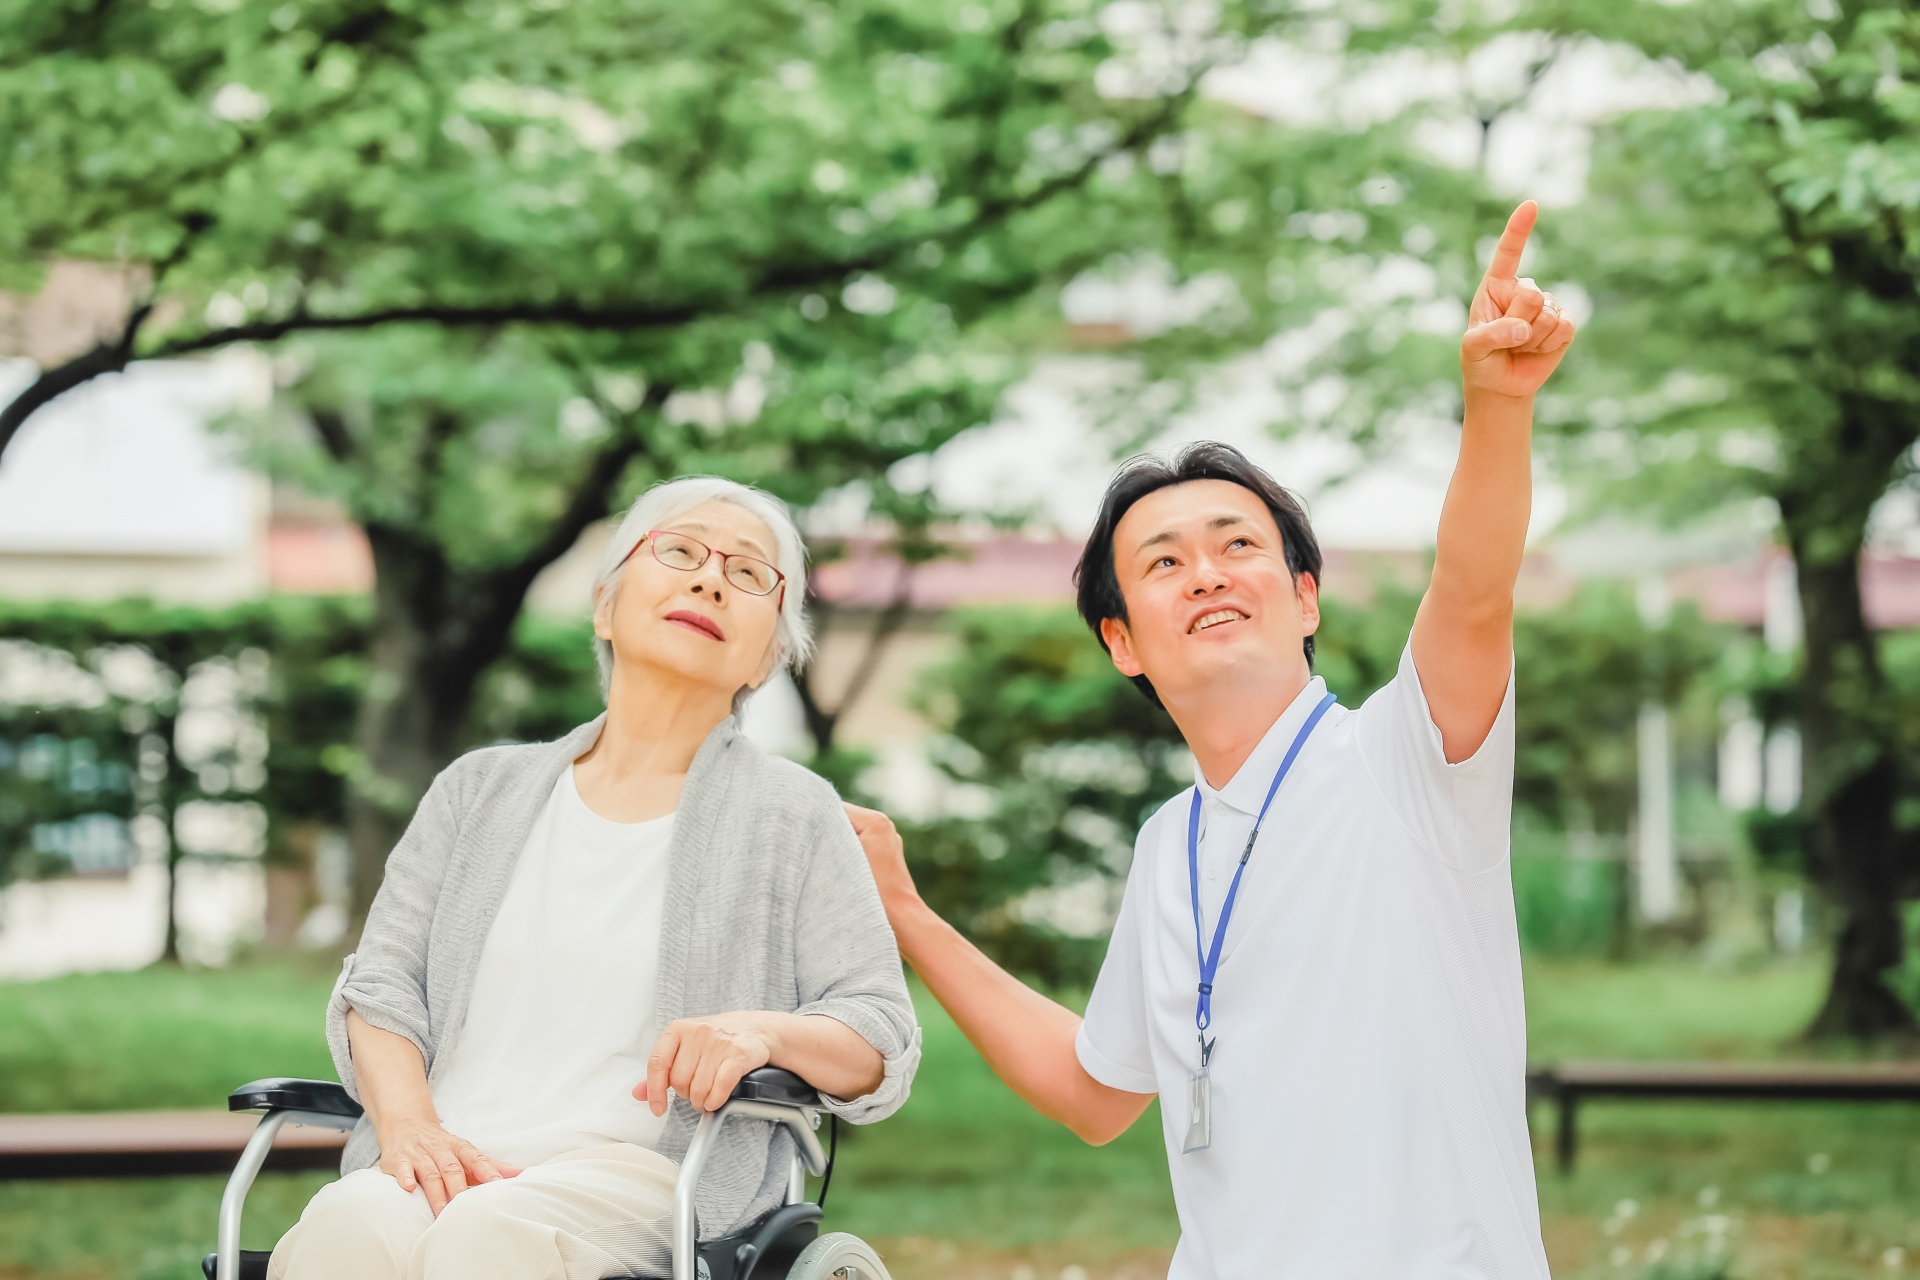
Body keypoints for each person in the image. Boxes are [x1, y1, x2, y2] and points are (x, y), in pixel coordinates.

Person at [844, 201, 1571, 1279]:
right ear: (1123, 639)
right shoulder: (1167, 843)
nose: (1209, 571)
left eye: (1240, 544)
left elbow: (1472, 590)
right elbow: (1098, 1093)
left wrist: (1496, 407)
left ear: (1306, 597)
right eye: (1165, 562)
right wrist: (905, 912)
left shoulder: (1407, 759)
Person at [270, 476, 921, 1280]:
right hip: (447, 1149)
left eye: (750, 573)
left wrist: (762, 1032)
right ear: (605, 605)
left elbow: (878, 1033)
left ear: (766, 656)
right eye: (679, 551)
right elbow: (383, 988)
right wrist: (410, 1131)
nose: (710, 578)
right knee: (348, 1220)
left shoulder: (791, 813)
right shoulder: (477, 791)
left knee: (490, 1235)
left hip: (642, 1174)